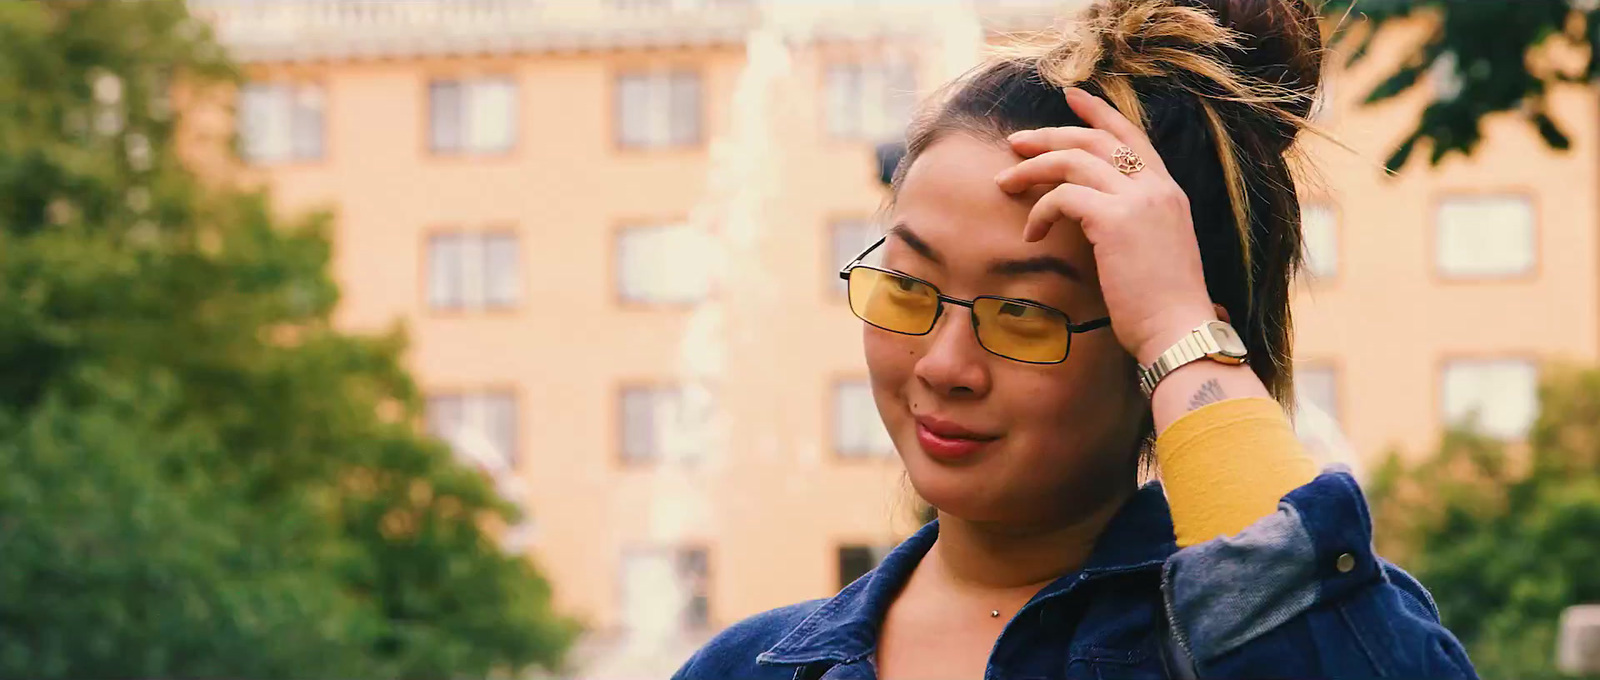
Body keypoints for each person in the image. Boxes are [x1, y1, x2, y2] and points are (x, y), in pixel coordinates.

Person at [673, 0, 1478, 677]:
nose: (945, 364)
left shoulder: (1277, 636)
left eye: (1024, 314)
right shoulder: (752, 663)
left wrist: (1178, 326)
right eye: (911, 288)